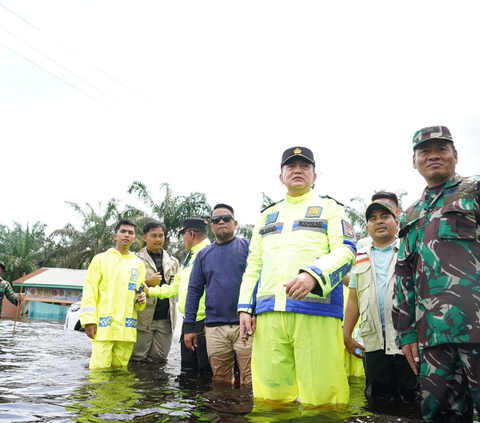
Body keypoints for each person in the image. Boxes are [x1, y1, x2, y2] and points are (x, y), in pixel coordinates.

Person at [238, 146, 357, 406]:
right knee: (270, 397)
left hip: (316, 311)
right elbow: (253, 265)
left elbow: (347, 250)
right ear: (281, 176)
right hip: (269, 315)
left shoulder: (330, 208)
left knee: (324, 397)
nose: (298, 170)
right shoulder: (266, 216)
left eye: (305, 166)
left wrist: (314, 275)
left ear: (315, 176)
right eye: (291, 166)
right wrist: (245, 308)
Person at [393, 125, 480, 421]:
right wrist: (405, 332)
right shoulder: (411, 213)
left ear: (455, 155)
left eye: (441, 149)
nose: (433, 156)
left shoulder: (475, 189)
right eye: (424, 151)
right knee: (438, 414)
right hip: (431, 338)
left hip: (477, 326)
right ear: (414, 160)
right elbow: (403, 274)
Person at [344, 200, 417, 402]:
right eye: (373, 219)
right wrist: (346, 334)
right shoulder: (360, 257)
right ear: (367, 227)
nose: (379, 222)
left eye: (384, 217)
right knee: (377, 401)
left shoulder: (410, 251)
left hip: (407, 340)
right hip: (373, 342)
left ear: (396, 221)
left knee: (412, 400)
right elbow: (353, 299)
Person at [183, 204, 251, 385]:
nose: (221, 222)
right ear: (211, 227)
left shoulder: (248, 248)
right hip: (214, 328)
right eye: (215, 220)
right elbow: (194, 292)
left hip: (245, 324)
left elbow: (259, 282)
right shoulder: (203, 255)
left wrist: (256, 313)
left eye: (226, 218)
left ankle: (245, 414)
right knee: (220, 380)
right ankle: (224, 414)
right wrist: (189, 328)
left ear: (235, 223)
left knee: (250, 380)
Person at [145, 218, 212, 372]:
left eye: (183, 235)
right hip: (190, 319)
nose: (183, 239)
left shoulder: (209, 253)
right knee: (188, 367)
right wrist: (150, 291)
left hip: (204, 321)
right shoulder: (190, 257)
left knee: (204, 368)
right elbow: (176, 287)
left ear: (191, 234)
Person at [79, 219, 147, 369]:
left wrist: (141, 299)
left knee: (121, 371)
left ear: (135, 239)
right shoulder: (100, 260)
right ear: (115, 236)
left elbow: (139, 292)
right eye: (122, 231)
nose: (126, 235)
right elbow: (90, 290)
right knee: (99, 370)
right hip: (104, 328)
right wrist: (89, 320)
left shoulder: (138, 264)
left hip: (126, 329)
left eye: (130, 233)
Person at [131, 221, 179, 363]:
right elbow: (128, 287)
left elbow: (177, 286)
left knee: (159, 360)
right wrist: (147, 282)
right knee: (136, 358)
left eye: (161, 235)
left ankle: (155, 386)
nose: (158, 239)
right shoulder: (135, 259)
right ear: (144, 238)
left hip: (166, 318)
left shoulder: (173, 261)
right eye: (153, 236)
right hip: (143, 317)